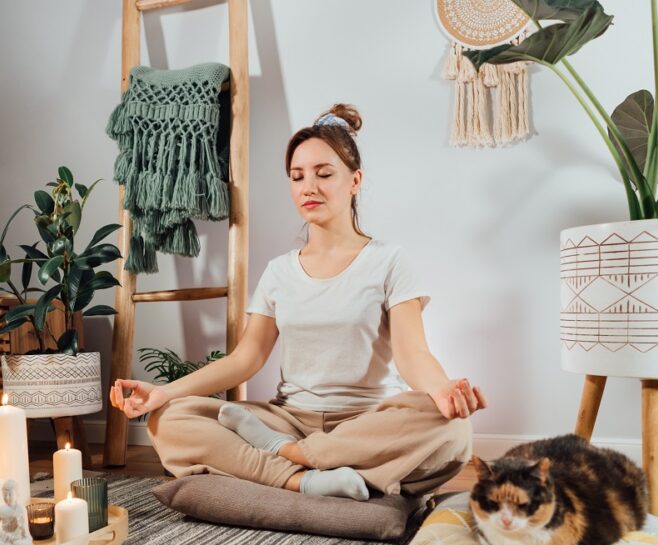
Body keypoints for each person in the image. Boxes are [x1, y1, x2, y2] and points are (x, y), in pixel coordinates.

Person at [111, 103, 487, 501]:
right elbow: (245, 359)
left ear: (355, 181)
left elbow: (414, 357)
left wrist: (443, 390)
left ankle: (291, 458)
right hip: (288, 419)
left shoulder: (389, 261)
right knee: (170, 419)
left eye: (324, 174)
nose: (309, 187)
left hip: (367, 424)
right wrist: (164, 393)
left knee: (453, 431)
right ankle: (303, 480)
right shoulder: (278, 272)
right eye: (297, 176)